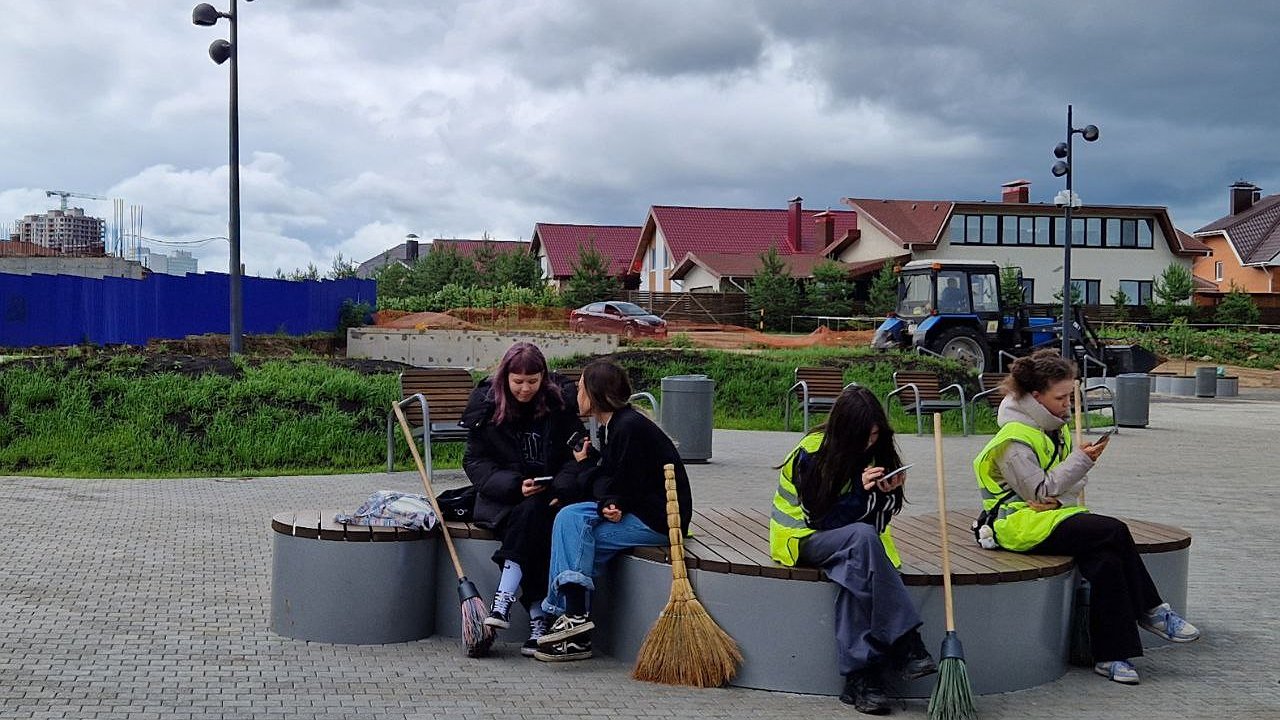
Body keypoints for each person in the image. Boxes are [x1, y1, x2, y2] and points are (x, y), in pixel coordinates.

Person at [972, 349, 1199, 685]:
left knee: (1107, 560)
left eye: (1070, 396)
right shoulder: (1013, 440)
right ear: (1035, 397)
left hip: (1051, 517)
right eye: (1060, 397)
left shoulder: (1052, 428)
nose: (1068, 404)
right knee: (1113, 530)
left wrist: (1068, 479)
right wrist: (1079, 464)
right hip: (1016, 525)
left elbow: (1064, 488)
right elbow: (1041, 491)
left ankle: (1111, 656)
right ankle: (1151, 610)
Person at [769, 386, 937, 715]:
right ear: (843, 430)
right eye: (863, 437)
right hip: (801, 539)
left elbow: (877, 521)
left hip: (856, 546)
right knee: (859, 540)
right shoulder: (812, 452)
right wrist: (860, 492)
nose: (868, 444)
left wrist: (886, 495)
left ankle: (862, 679)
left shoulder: (878, 449)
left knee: (853, 572)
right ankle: (905, 641)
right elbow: (820, 520)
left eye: (874, 435)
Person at [532, 359, 692, 662]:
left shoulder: (628, 427)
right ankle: (575, 629)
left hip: (657, 520)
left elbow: (622, 484)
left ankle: (570, 619)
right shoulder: (618, 424)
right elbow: (618, 478)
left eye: (580, 387)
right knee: (573, 533)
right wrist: (592, 466)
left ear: (595, 394)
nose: (576, 393)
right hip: (638, 509)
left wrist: (599, 485)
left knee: (571, 522)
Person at [461, 341, 588, 657]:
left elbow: (576, 457)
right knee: (530, 518)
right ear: (505, 377)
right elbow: (475, 462)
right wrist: (515, 486)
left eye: (533, 381)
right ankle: (538, 622)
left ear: (543, 377)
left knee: (534, 517)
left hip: (551, 497)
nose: (525, 388)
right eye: (518, 381)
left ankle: (504, 601)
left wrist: (560, 489)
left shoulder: (559, 405)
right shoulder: (487, 408)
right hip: (502, 499)